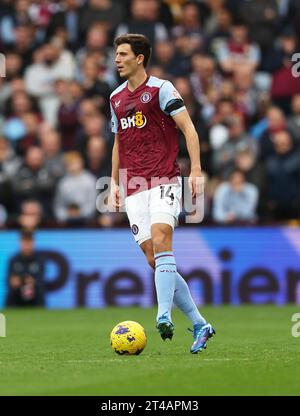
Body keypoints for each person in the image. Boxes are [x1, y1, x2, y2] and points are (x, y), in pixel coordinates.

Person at [109, 33, 215, 354]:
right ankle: (200, 324)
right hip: (133, 186)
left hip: (164, 179)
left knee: (161, 240)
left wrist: (195, 169)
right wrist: (114, 182)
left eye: (123, 54)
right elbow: (118, 142)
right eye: (116, 53)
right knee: (154, 259)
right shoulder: (115, 98)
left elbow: (188, 128)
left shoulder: (161, 89)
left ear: (139, 58)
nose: (116, 59)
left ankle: (162, 315)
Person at [6, 231, 45, 307]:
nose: (26, 245)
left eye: (29, 242)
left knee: (38, 293)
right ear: (20, 243)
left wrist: (33, 282)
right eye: (24, 242)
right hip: (16, 298)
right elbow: (8, 281)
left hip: (35, 299)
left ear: (33, 243)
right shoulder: (14, 260)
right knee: (11, 294)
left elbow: (42, 282)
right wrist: (15, 282)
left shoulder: (40, 260)